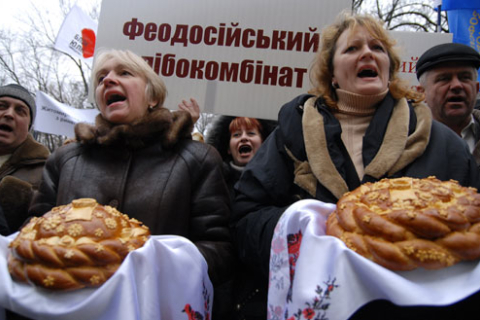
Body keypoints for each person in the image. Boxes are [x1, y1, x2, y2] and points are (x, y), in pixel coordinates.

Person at [231, 11, 480, 319]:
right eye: (352, 49)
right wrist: (314, 234)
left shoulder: (443, 143)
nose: (367, 53)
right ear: (331, 73)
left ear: (388, 67)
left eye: (377, 48)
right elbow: (245, 219)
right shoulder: (290, 137)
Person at [28, 49, 234, 318]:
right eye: (101, 78)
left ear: (153, 97)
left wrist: (152, 264)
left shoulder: (197, 159)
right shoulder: (65, 160)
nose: (108, 81)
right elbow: (31, 234)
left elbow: (219, 248)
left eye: (124, 73)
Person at [206, 115, 276, 319]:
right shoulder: (212, 184)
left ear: (264, 143)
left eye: (251, 133)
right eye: (237, 135)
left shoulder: (281, 186)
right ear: (228, 148)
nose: (244, 139)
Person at [416, 42, 480, 166]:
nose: (456, 85)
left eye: (464, 77)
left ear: (476, 88)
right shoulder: (403, 144)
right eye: (444, 78)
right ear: (422, 93)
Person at [0, 84, 49, 233]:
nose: (9, 114)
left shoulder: (48, 172)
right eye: (2, 106)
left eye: (20, 111)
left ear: (28, 127)